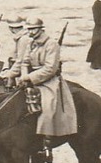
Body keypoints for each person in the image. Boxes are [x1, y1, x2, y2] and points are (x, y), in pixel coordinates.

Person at [5, 17, 77, 154]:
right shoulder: (31, 43)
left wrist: (30, 77)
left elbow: (50, 68)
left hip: (48, 82)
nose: (31, 32)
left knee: (48, 105)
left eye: (33, 29)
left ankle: (46, 140)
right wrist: (24, 77)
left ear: (40, 29)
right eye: (29, 30)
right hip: (30, 80)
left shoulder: (51, 45)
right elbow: (24, 62)